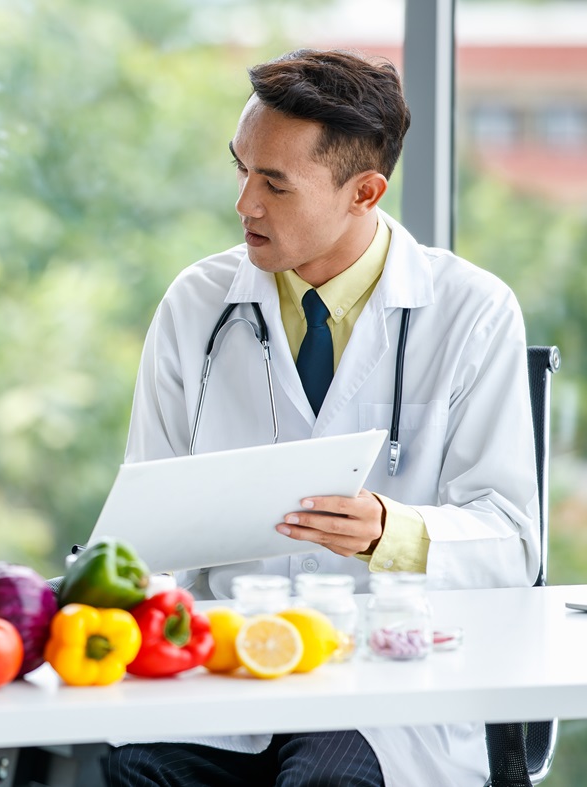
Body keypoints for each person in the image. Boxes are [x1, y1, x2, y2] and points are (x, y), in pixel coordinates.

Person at [107, 49, 539, 787]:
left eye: (274, 183)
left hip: (383, 681)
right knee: (136, 770)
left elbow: (511, 544)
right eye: (241, 169)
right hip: (225, 672)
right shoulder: (195, 306)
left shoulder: (473, 312)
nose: (244, 203)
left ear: (364, 192)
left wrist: (389, 532)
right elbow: (142, 529)